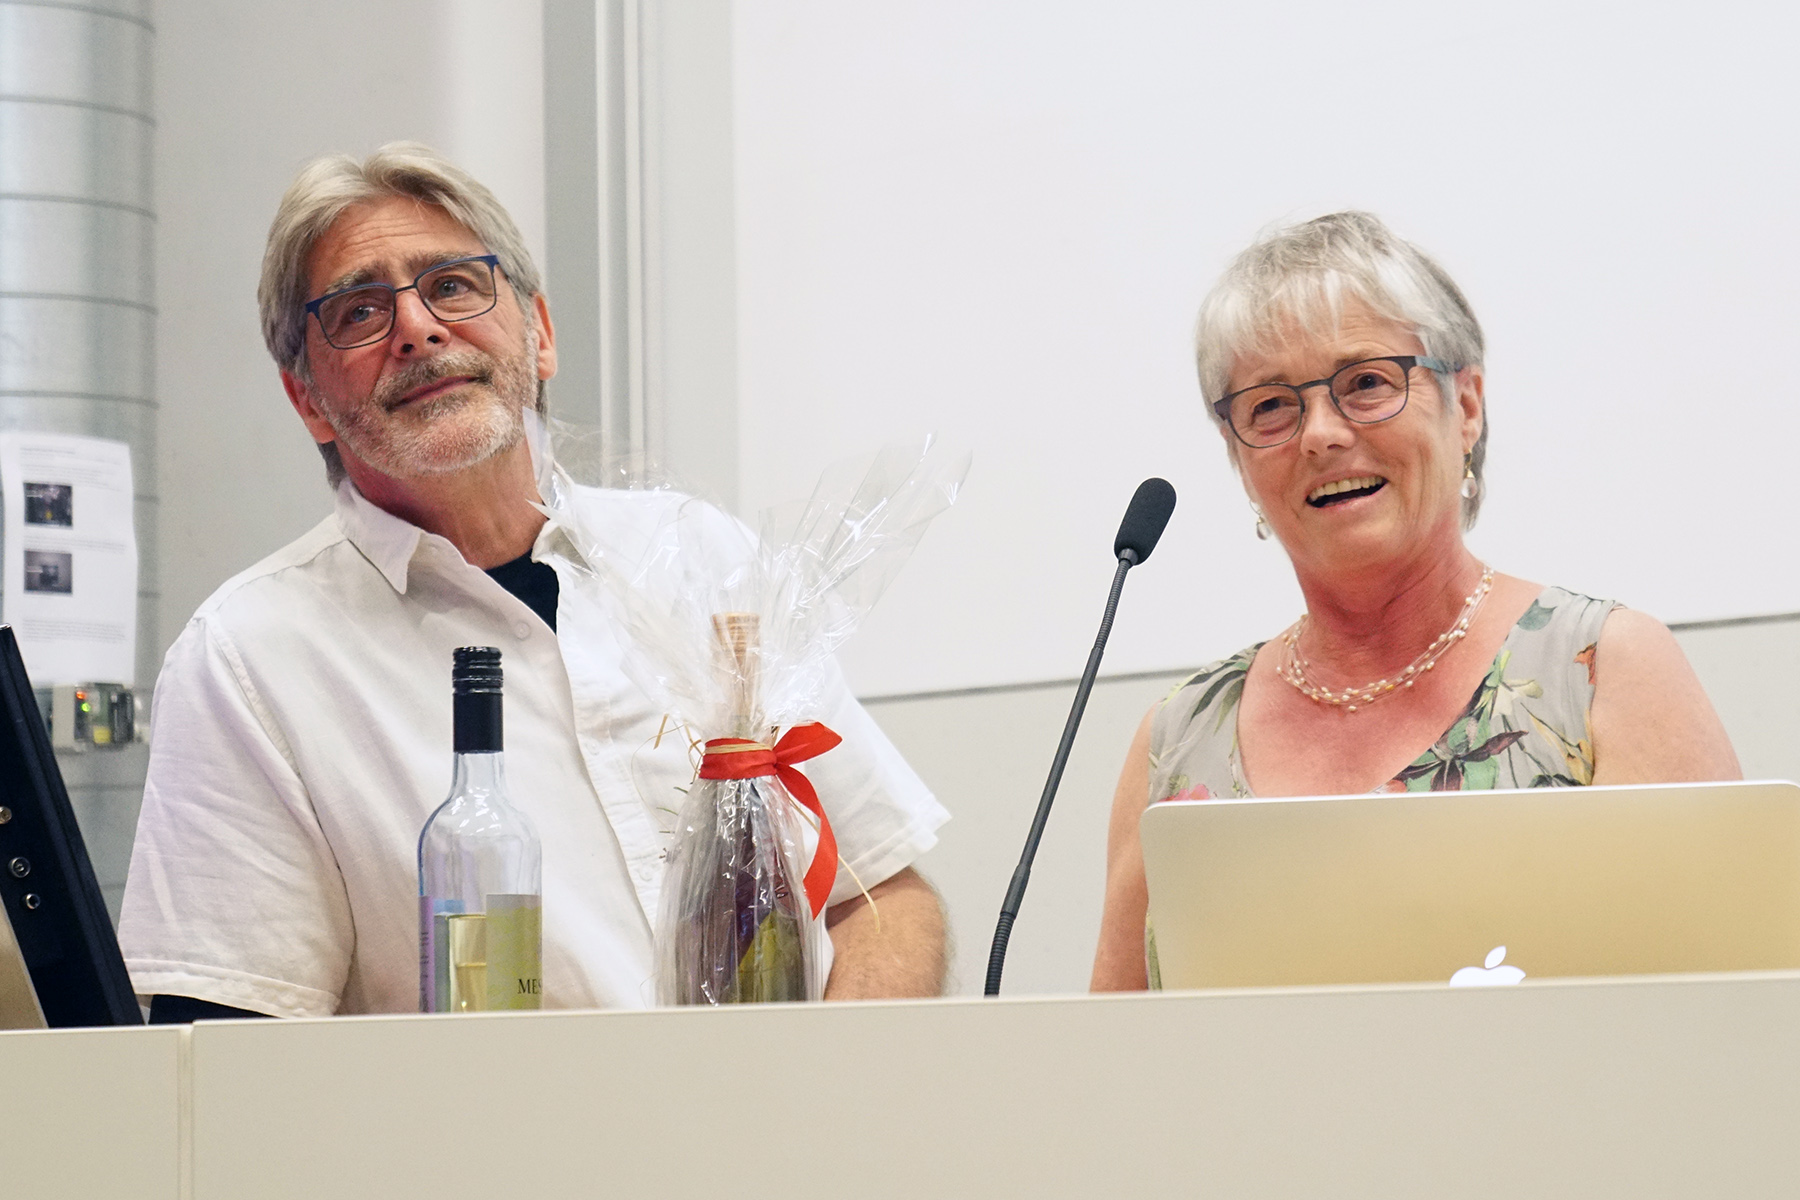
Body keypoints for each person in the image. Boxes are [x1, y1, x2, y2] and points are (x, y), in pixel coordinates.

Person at [120, 144, 949, 1019]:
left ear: (539, 335)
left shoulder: (703, 556)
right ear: (309, 401)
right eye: (360, 311)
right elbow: (231, 1046)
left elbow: (883, 897)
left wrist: (827, 1104)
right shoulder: (250, 661)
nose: (418, 329)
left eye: (452, 285)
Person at [1091, 212, 1740, 991]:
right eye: (1270, 406)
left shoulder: (1603, 670)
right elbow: (1113, 1063)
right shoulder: (1177, 739)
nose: (1320, 435)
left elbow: (1716, 1021)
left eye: (1366, 383)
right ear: (1238, 457)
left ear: (1465, 407)